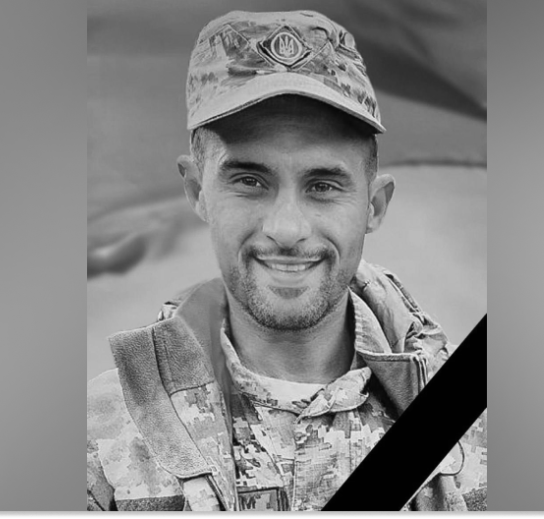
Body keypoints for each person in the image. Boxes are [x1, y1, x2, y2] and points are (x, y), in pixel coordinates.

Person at [87, 10, 486, 512]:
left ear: (374, 205)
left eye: (323, 186)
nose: (287, 228)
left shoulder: (483, 431)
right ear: (196, 190)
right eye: (250, 181)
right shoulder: (101, 436)